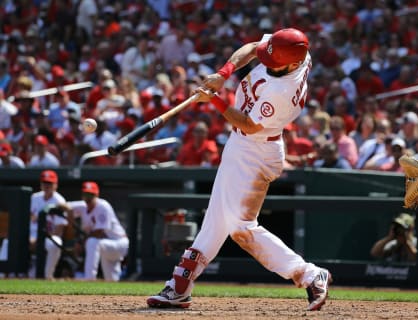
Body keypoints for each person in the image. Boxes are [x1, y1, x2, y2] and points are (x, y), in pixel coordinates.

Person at [147, 28, 331, 311]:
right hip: (241, 145)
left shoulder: (283, 91)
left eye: (273, 62)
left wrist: (215, 101)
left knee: (241, 227)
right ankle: (180, 285)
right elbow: (252, 47)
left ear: (293, 64)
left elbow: (249, 124)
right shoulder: (295, 51)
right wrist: (223, 74)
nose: (266, 62)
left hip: (257, 149)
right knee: (217, 218)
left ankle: (309, 274)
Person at [58, 182, 129, 281]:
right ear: (82, 196)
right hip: (105, 245)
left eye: (91, 195)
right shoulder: (83, 206)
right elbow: (63, 205)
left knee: (92, 242)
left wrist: (80, 243)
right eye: (86, 194)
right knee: (111, 280)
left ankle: (89, 278)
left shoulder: (103, 206)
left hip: (118, 243)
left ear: (97, 195)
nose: (88, 198)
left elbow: (98, 233)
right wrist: (67, 210)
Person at [29, 170, 68, 279]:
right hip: (30, 235)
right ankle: (5, 275)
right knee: (8, 242)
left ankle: (48, 276)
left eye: (50, 183)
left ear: (55, 185)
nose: (47, 186)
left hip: (47, 236)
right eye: (45, 183)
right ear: (41, 184)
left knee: (56, 242)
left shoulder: (59, 201)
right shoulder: (34, 198)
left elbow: (59, 230)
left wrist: (39, 239)